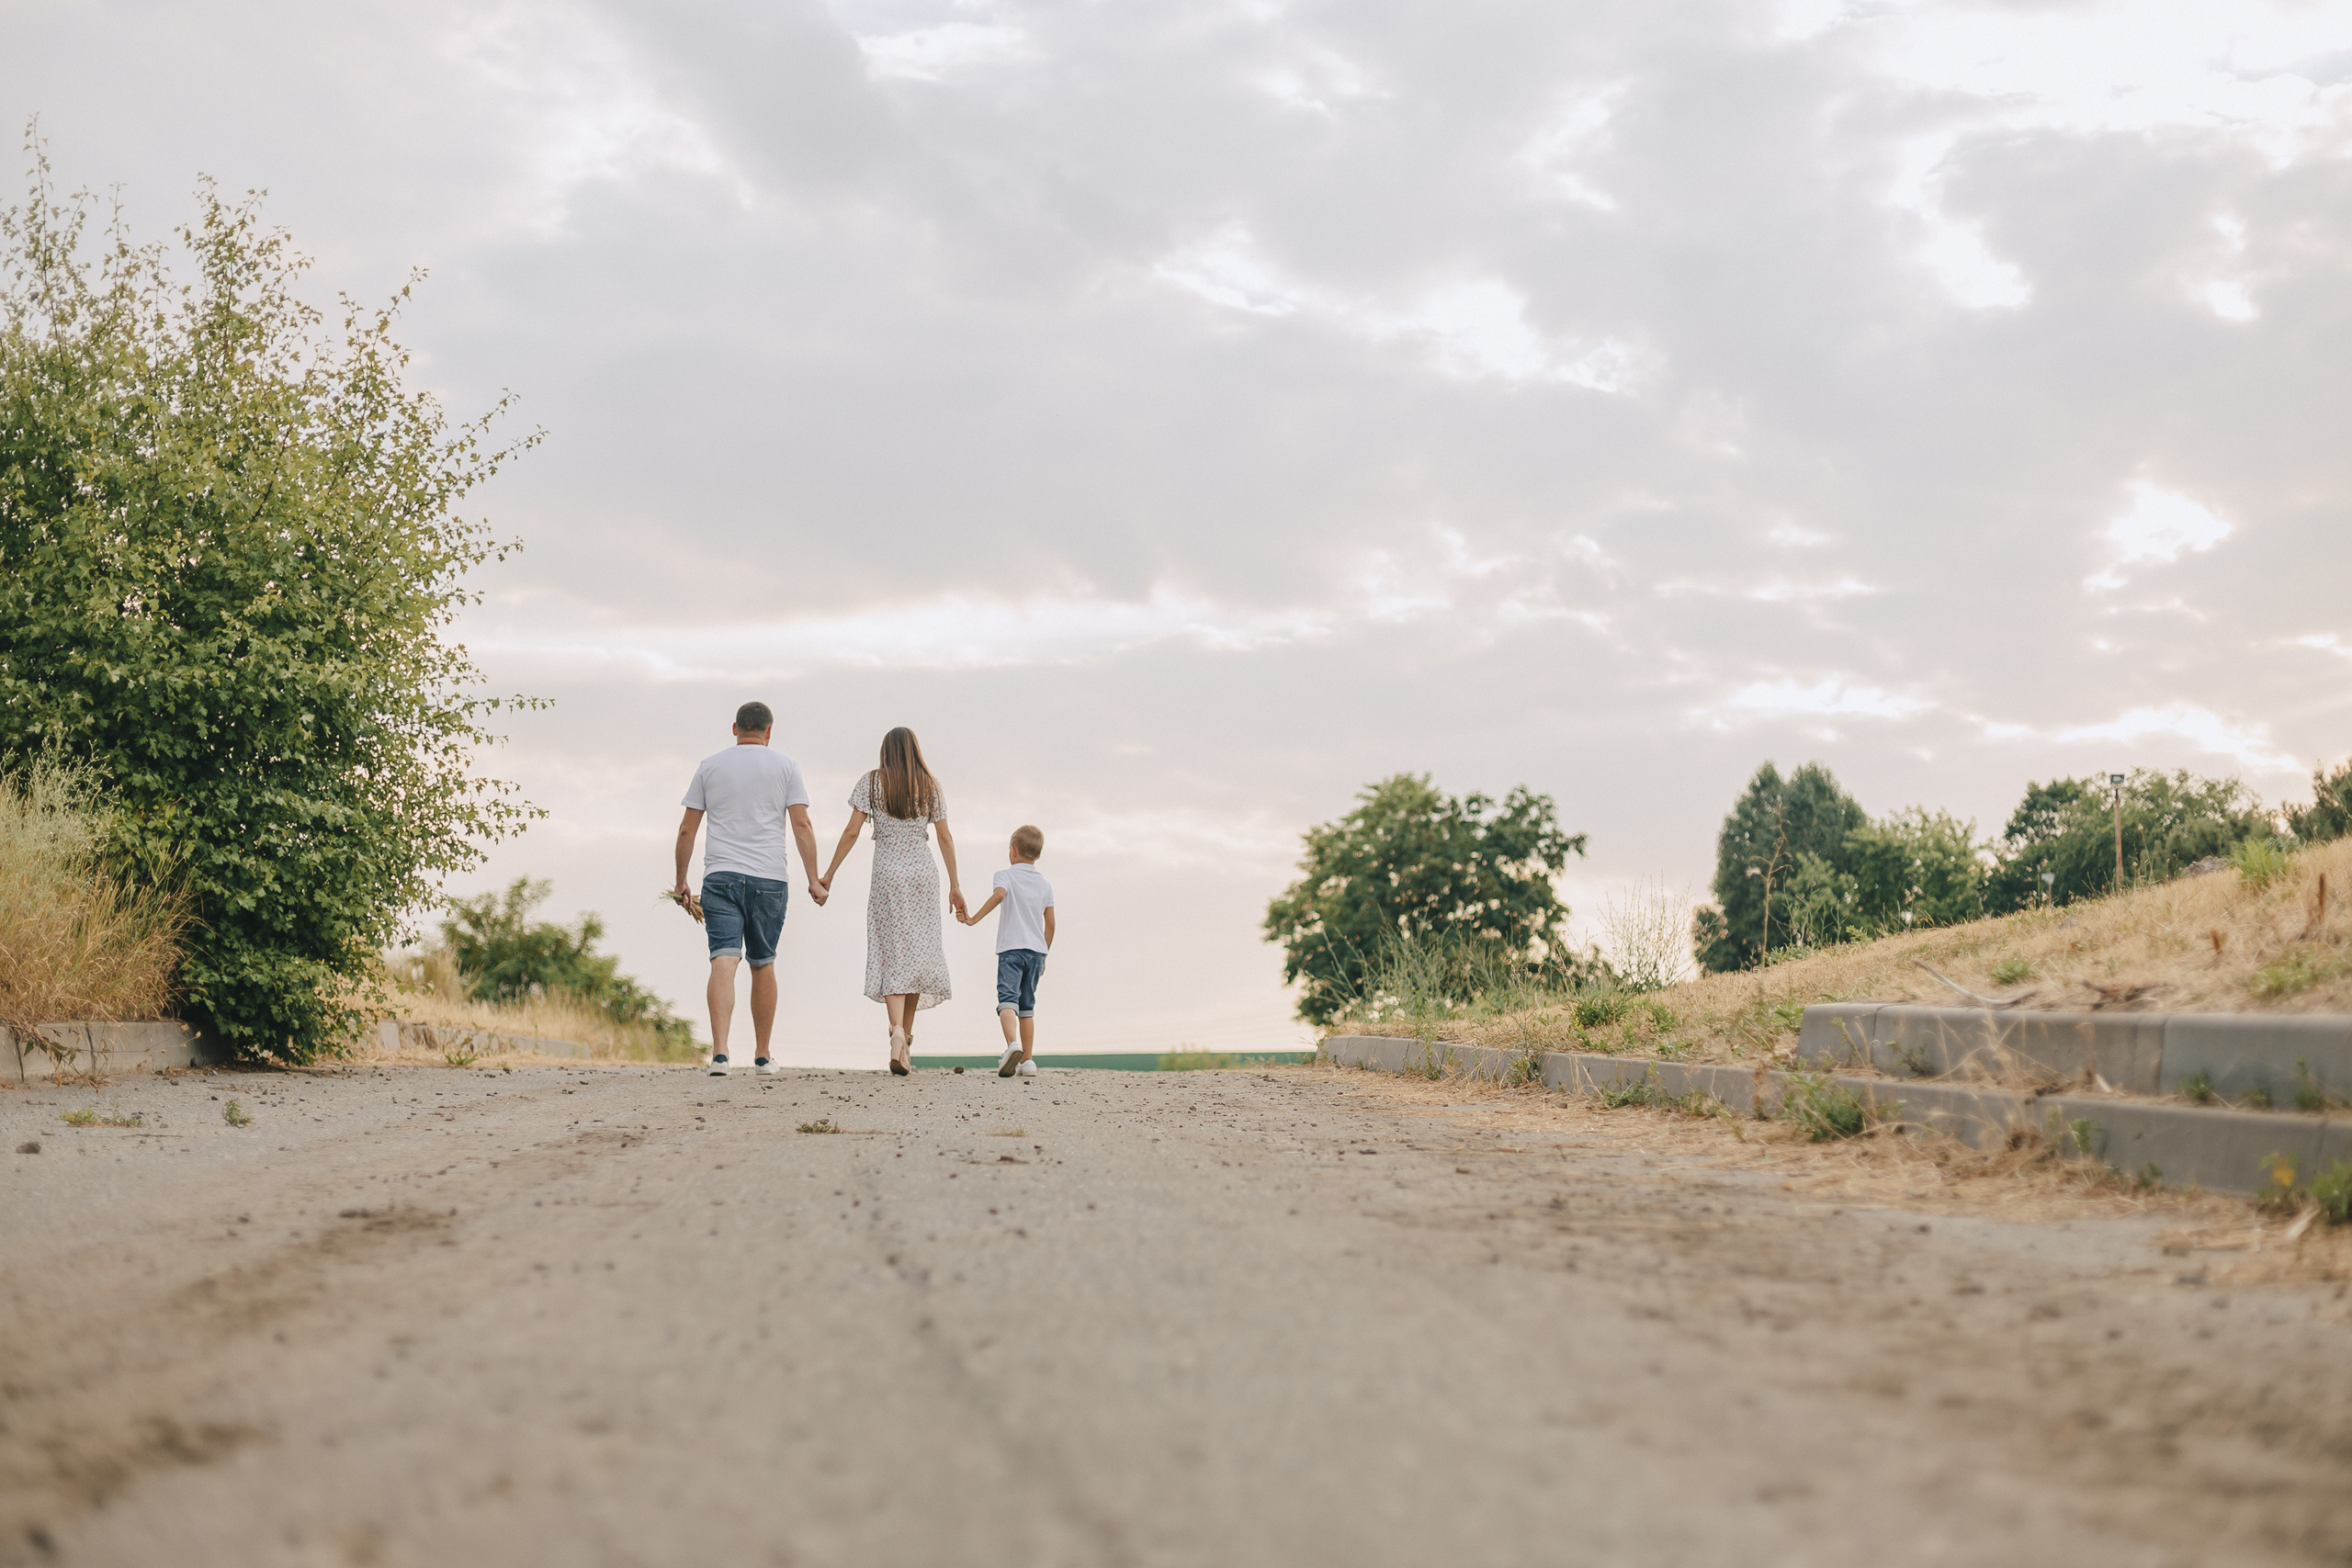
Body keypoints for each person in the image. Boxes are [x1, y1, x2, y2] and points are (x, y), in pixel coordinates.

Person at [673, 701, 826, 1077]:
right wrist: (814, 878)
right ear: (769, 731)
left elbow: (687, 830)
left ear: (734, 728)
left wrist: (681, 881)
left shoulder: (710, 766)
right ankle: (761, 1056)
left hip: (720, 876)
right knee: (763, 962)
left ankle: (721, 1055)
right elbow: (802, 825)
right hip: (769, 879)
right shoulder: (786, 766)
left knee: (723, 959)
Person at [817, 728, 963, 1076]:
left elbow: (852, 831)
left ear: (885, 751)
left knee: (894, 952)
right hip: (923, 875)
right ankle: (906, 1041)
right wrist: (955, 885)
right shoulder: (931, 785)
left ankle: (897, 1031)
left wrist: (829, 875)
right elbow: (944, 836)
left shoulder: (870, 783)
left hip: (888, 876)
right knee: (917, 954)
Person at [960, 824, 1055, 1077]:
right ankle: (1029, 1061)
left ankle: (1012, 1045)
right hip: (1036, 953)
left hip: (1011, 950)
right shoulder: (1045, 885)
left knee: (1007, 1001)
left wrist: (973, 919)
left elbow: (999, 896)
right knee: (1027, 1006)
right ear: (1037, 854)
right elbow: (1051, 924)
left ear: (1013, 851)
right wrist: (1043, 953)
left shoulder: (1004, 875)